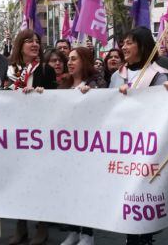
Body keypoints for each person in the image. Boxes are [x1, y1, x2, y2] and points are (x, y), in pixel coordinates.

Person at [109, 27, 168, 245]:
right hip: (123, 146)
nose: (124, 47)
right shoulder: (118, 75)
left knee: (142, 193)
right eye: (123, 43)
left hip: (145, 146)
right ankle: (131, 236)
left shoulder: (158, 75)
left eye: (129, 43)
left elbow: (163, 109)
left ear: (142, 46)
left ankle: (144, 236)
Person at [7, 29, 57, 245]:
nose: (35, 44)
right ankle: (20, 226)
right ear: (20, 45)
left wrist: (40, 95)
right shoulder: (9, 71)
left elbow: (55, 98)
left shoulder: (44, 69)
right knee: (16, 181)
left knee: (37, 181)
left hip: (39, 134)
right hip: (15, 133)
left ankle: (42, 226)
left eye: (37, 41)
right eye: (29, 41)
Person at [59, 47, 104, 245]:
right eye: (68, 59)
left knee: (85, 191)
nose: (69, 62)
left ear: (84, 61)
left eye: (74, 59)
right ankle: (73, 231)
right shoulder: (64, 84)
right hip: (66, 148)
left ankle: (87, 234)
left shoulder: (96, 84)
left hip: (87, 148)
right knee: (69, 191)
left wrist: (92, 95)